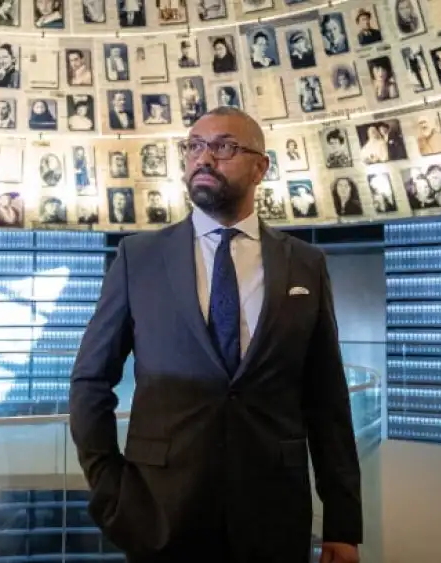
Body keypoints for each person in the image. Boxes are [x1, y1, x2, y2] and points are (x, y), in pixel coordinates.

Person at [69, 106, 362, 563]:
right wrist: (110, 489)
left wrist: (343, 523)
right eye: (195, 146)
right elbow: (90, 381)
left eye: (224, 147)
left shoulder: (306, 264)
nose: (204, 158)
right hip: (159, 513)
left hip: (274, 514)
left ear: (260, 166)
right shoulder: (138, 258)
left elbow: (326, 399)